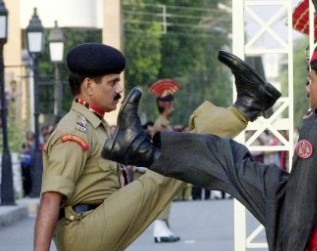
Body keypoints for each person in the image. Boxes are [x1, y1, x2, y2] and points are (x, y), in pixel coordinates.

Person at [101, 0, 317, 250]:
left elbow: (300, 209)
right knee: (240, 164)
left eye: (311, 81)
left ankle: (142, 147)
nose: (307, 88)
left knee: (234, 164)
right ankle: (147, 145)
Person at [33, 43, 281, 251]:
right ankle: (247, 106)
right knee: (165, 170)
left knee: (171, 165)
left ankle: (246, 106)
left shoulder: (94, 126)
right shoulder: (73, 131)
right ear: (88, 86)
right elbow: (50, 199)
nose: (120, 90)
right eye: (112, 83)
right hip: (82, 232)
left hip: (97, 223)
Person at [148, 79, 181, 243]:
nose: (173, 107)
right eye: (171, 104)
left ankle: (163, 228)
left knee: (166, 198)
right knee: (163, 198)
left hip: (166, 165)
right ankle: (159, 230)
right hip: (163, 166)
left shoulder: (164, 122)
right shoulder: (161, 124)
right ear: (165, 105)